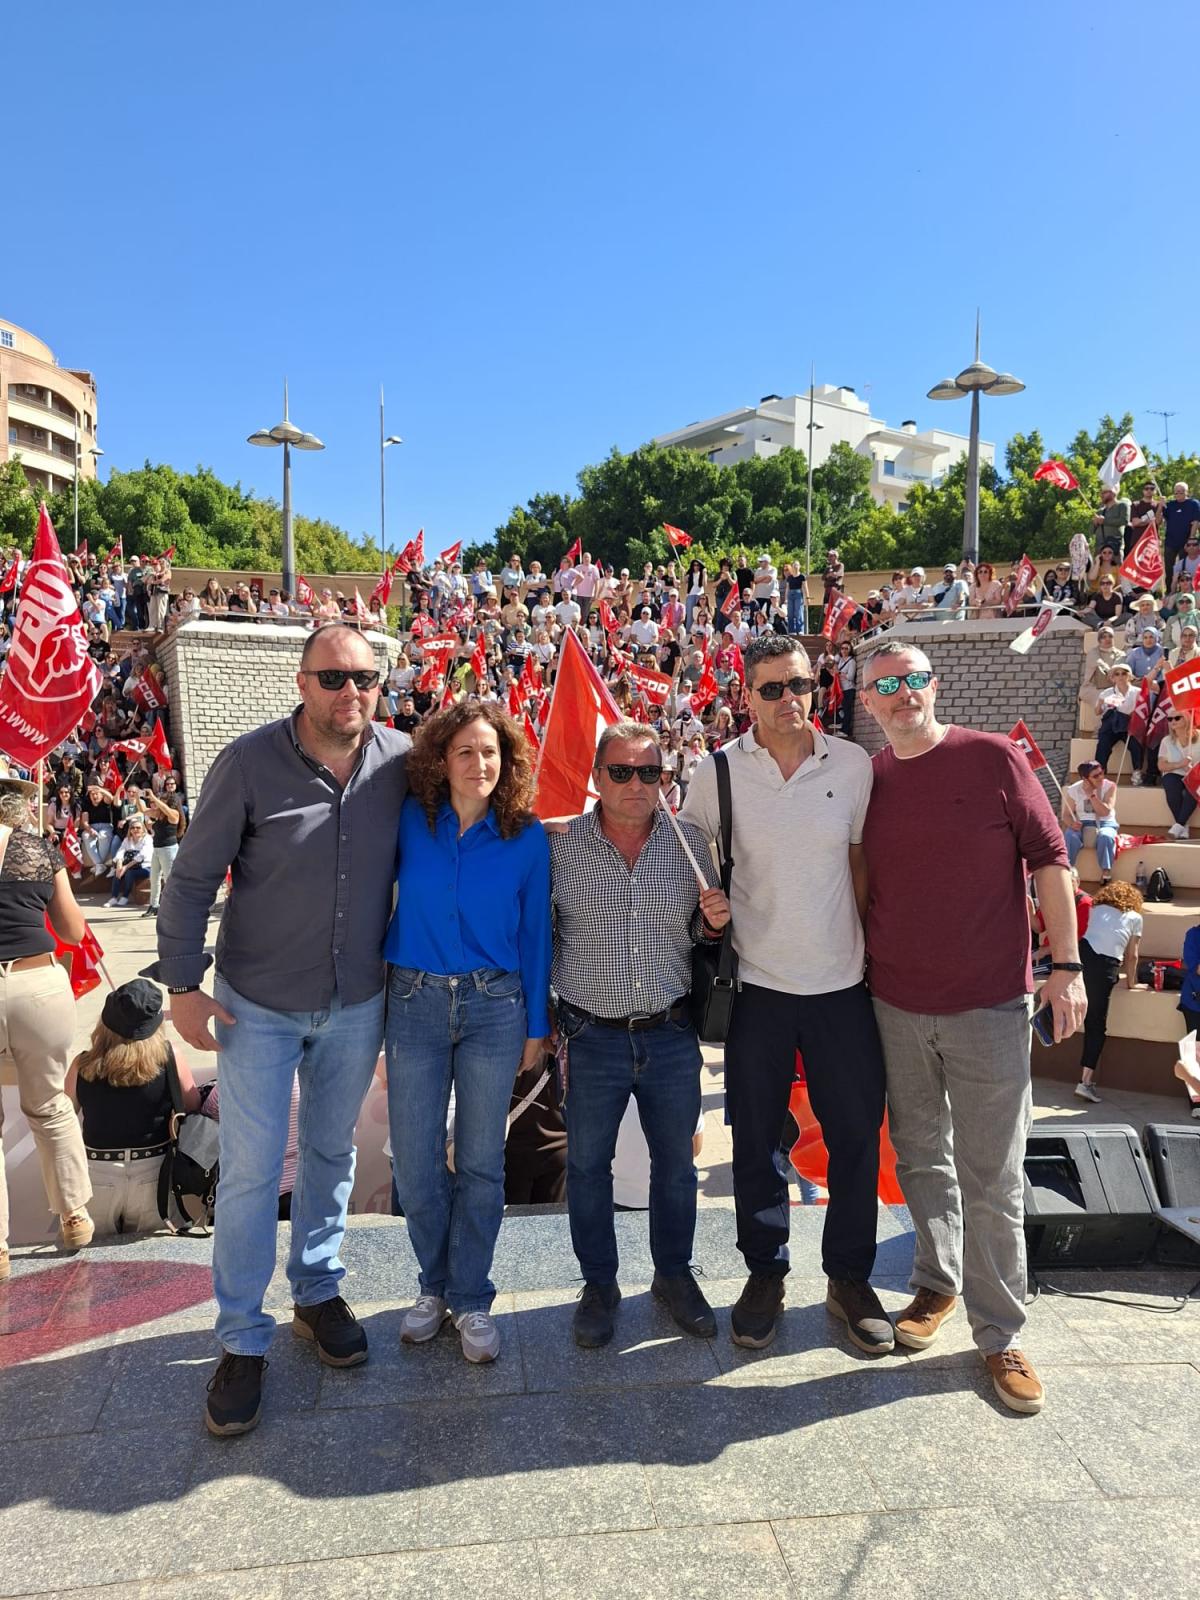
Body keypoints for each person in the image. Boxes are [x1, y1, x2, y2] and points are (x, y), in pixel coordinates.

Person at [147, 622, 409, 1437]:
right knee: (256, 1171)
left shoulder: (401, 762)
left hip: (356, 999)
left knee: (332, 1154)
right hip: (255, 1003)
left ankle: (317, 1292)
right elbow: (190, 880)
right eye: (333, 677)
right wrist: (182, 985)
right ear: (301, 682)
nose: (350, 693)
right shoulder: (249, 762)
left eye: (364, 678)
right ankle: (239, 1338)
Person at [858, 639, 1085, 1415]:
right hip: (894, 1002)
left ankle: (1001, 1332)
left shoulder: (993, 759)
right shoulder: (870, 778)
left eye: (914, 678)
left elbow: (1052, 860)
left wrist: (1068, 965)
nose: (901, 693)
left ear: (935, 683)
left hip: (990, 1004)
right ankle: (937, 1281)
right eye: (885, 684)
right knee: (922, 1160)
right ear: (866, 702)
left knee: (994, 1175)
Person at [682, 635, 891, 1355]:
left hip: (843, 989)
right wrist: (703, 905)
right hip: (758, 989)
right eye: (770, 689)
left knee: (856, 1138)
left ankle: (849, 1277)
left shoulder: (855, 765)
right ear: (746, 697)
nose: (786, 701)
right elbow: (687, 859)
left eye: (798, 685)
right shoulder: (715, 773)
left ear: (817, 687)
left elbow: (864, 864)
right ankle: (765, 1272)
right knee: (759, 1145)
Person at [551, 724, 730, 1348]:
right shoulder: (561, 847)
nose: (635, 784)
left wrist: (713, 927)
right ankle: (599, 1284)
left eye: (648, 773)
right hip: (590, 1034)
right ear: (597, 778)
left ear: (665, 780)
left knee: (676, 1167)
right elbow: (539, 934)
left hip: (670, 1034)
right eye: (621, 772)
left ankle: (674, 1275)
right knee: (588, 1166)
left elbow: (702, 944)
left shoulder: (689, 849)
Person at [385, 701, 550, 1364]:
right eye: (465, 752)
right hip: (414, 1003)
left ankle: (472, 1297)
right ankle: (434, 1286)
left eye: (490, 753)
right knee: (416, 1161)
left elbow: (537, 935)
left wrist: (537, 1026)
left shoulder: (526, 835)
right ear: (440, 761)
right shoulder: (406, 823)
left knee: (482, 1162)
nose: (480, 764)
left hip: (495, 1007)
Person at [0, 765, 98, 1276]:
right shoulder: (37, 850)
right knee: (50, 1106)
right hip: (37, 982)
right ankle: (74, 1215)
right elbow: (73, 930)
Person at [66, 978, 201, 1235]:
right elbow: (192, 1106)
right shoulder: (171, 1057)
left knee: (90, 1264)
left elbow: (64, 1118)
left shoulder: (82, 1064)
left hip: (96, 1174)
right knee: (153, 1267)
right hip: (154, 1174)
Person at [1075, 881, 1143, 1103]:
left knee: (1074, 1006)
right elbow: (1132, 956)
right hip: (1104, 965)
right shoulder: (1135, 917)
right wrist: (1132, 983)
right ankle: (1085, 1082)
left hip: (1082, 954)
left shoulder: (1096, 908)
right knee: (1096, 1024)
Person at [1061, 761, 1118, 882]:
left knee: (1106, 836)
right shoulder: (1074, 790)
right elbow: (1066, 815)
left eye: (1101, 773)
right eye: (1095, 776)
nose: (1100, 777)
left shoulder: (1110, 786)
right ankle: (1068, 870)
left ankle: (1106, 872)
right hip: (1082, 822)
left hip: (1105, 822)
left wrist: (1091, 795)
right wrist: (1072, 824)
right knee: (1070, 836)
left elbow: (1105, 812)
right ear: (1085, 779)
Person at [141, 773, 184, 919]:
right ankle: (154, 906)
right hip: (158, 850)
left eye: (163, 800)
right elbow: (143, 810)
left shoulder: (174, 814)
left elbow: (165, 809)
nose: (160, 802)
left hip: (169, 850)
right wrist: (137, 797)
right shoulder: (159, 814)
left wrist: (154, 798)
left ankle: (176, 907)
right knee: (154, 878)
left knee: (170, 880)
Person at [1158, 711, 1200, 839]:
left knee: (1192, 788)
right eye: (1169, 719)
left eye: (1177, 718)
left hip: (1197, 775)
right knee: (1170, 785)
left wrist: (1195, 769)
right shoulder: (1166, 741)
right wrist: (1180, 764)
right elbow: (1161, 766)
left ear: (1187, 719)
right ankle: (1183, 826)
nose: (1172, 721)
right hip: (1175, 772)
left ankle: (1179, 825)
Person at [105, 817, 152, 907]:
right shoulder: (127, 840)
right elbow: (120, 852)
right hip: (132, 866)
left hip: (146, 867)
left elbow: (141, 856)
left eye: (138, 828)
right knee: (117, 871)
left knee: (129, 872)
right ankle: (114, 898)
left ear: (143, 829)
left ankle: (125, 897)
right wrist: (119, 865)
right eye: (133, 828)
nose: (135, 830)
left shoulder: (147, 839)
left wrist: (125, 867)